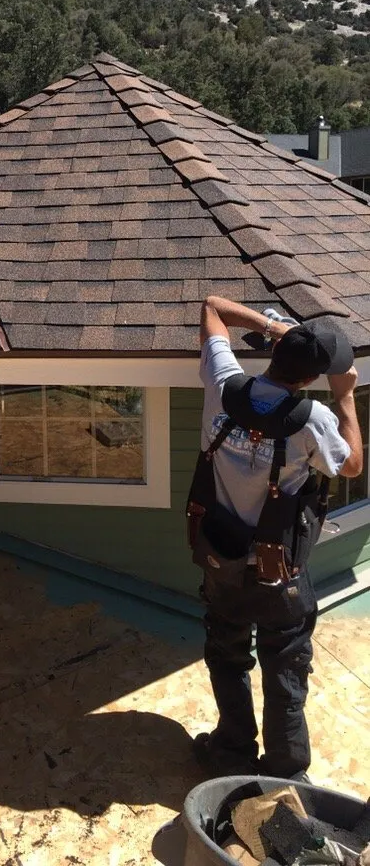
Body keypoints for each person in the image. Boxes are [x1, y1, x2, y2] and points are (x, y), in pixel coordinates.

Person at [193, 295, 363, 781]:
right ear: (309, 379)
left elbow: (212, 307)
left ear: (276, 355)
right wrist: (347, 397)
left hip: (220, 557)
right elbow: (351, 465)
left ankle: (231, 753)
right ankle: (286, 774)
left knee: (227, 656)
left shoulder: (225, 385)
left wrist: (274, 327)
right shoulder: (312, 419)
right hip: (277, 572)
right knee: (285, 669)